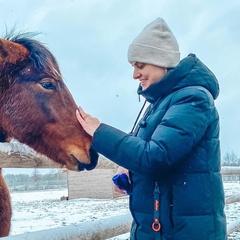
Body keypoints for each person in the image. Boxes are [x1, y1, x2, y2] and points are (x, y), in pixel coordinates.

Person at [76, 17, 227, 240]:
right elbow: (150, 152)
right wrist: (127, 167)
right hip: (162, 228)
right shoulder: (161, 101)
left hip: (185, 232)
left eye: (140, 65)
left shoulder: (192, 99)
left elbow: (156, 156)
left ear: (161, 61)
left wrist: (99, 132)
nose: (134, 75)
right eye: (133, 67)